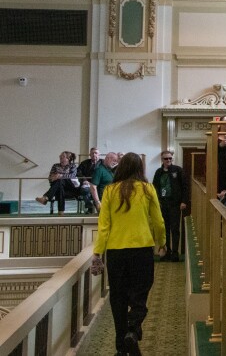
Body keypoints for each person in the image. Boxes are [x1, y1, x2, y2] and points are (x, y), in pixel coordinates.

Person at [93, 152, 165, 356]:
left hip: (116, 251)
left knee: (118, 298)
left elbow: (104, 226)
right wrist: (162, 243)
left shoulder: (109, 190)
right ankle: (132, 331)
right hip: (141, 249)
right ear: (139, 169)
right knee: (140, 294)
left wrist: (97, 252)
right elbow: (158, 220)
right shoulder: (147, 189)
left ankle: (120, 346)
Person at [152, 150, 188, 262]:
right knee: (165, 229)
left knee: (175, 229)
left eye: (170, 158)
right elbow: (155, 187)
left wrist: (184, 201)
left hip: (175, 204)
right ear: (162, 160)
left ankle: (175, 253)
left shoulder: (178, 170)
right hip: (163, 204)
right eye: (166, 159)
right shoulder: (158, 172)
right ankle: (166, 251)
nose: (168, 160)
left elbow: (185, 186)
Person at [77, 147, 100, 213]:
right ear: (90, 155)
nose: (94, 155)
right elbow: (78, 172)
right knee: (84, 190)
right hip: (87, 183)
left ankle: (99, 207)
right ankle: (90, 207)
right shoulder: (84, 163)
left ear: (99, 154)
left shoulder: (103, 163)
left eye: (96, 153)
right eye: (92, 153)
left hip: (98, 184)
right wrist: (84, 180)